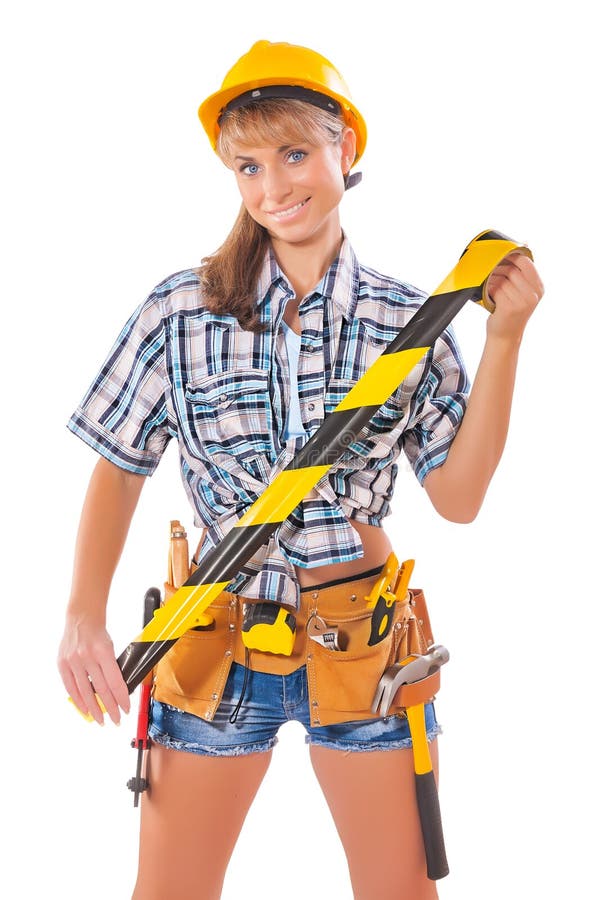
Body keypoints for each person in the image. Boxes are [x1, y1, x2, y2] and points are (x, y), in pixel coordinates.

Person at [57, 40, 543, 900]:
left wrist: (504, 339)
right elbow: (120, 464)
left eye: (294, 153)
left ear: (345, 150)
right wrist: (82, 616)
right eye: (248, 164)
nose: (274, 187)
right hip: (213, 638)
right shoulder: (183, 310)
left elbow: (460, 500)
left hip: (364, 645)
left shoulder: (410, 319)